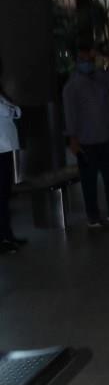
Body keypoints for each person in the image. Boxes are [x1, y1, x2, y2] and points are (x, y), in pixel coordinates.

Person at [62, 46, 109, 228]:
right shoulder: (71, 86)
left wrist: (104, 57)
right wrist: (72, 139)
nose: (87, 63)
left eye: (89, 59)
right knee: (89, 180)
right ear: (76, 62)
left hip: (106, 137)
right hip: (86, 142)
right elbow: (70, 115)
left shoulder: (100, 78)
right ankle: (93, 216)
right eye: (83, 60)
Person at [0, 66, 24, 255]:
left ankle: (8, 235)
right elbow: (9, 111)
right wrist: (11, 109)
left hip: (6, 148)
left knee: (4, 194)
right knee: (1, 196)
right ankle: (3, 239)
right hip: (1, 148)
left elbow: (17, 111)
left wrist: (12, 109)